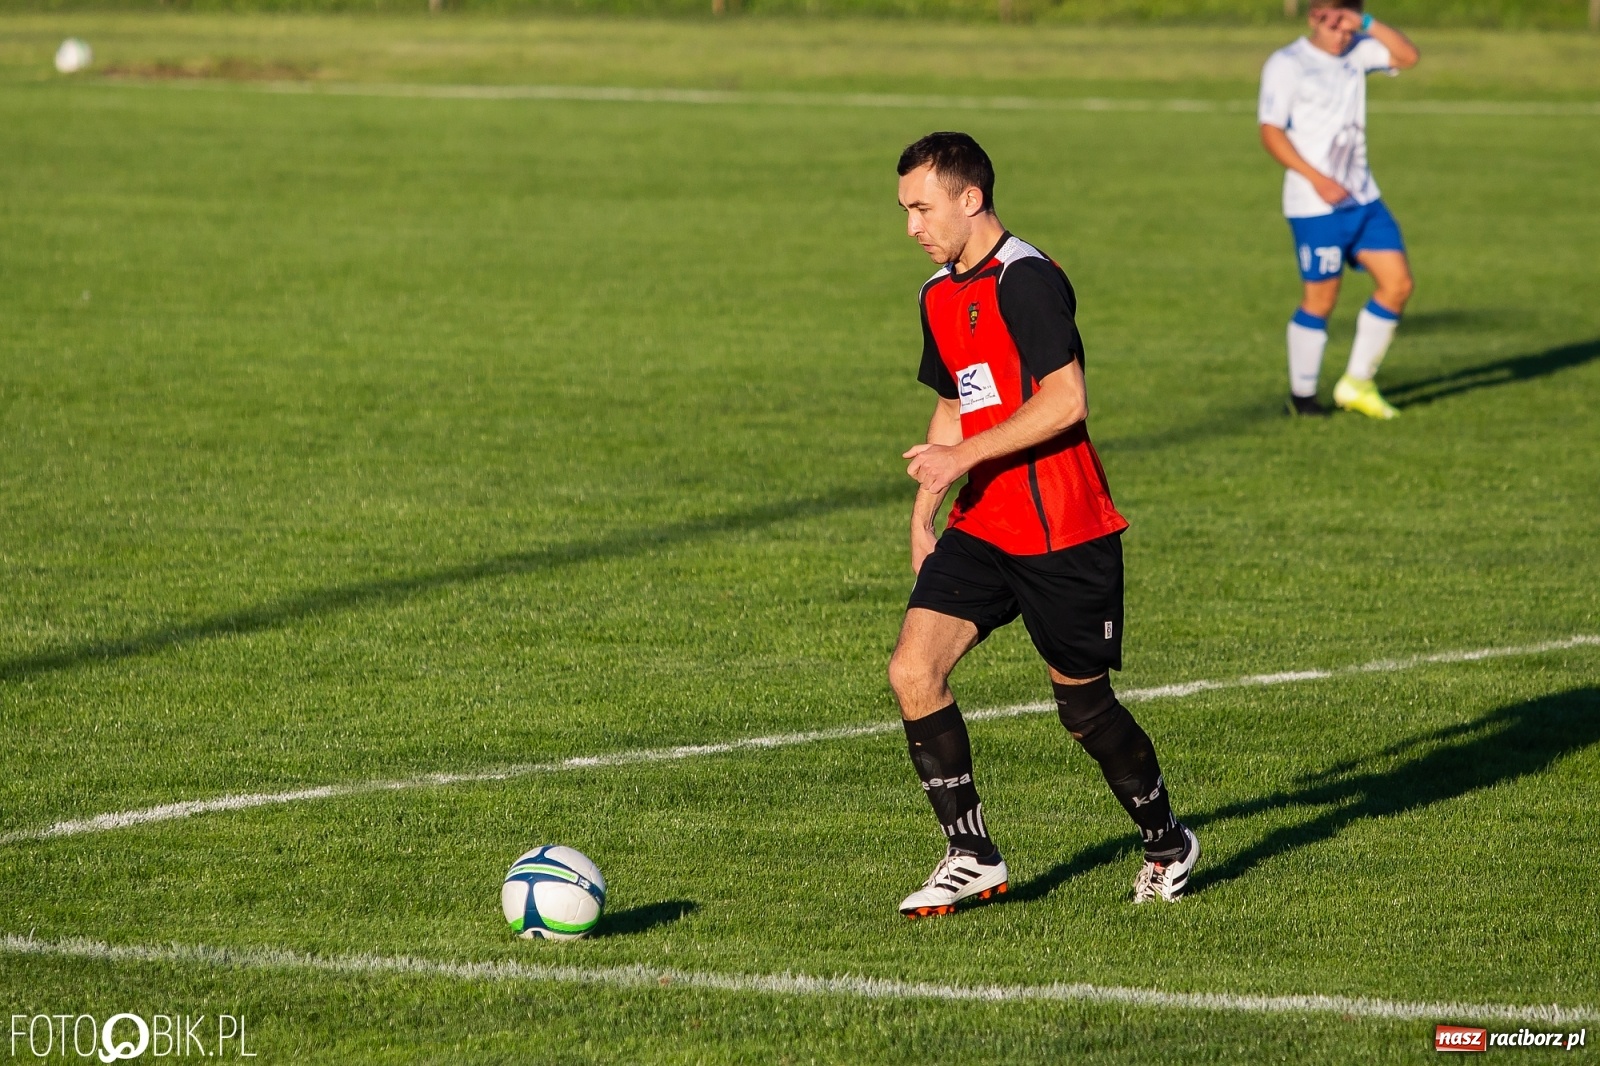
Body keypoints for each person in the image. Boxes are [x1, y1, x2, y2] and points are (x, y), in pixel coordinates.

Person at [888, 132, 1198, 919]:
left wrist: (960, 462)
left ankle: (1167, 843)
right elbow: (958, 401)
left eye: (922, 208)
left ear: (970, 198)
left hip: (1066, 529)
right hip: (986, 524)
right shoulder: (937, 293)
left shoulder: (1028, 280)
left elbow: (1066, 402)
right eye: (904, 210)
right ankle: (971, 853)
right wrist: (925, 513)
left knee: (1084, 712)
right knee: (913, 671)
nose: (912, 226)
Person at [1259, 0, 1421, 419]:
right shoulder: (1288, 63)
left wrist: (1366, 24)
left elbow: (1408, 56)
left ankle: (1357, 383)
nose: (1342, 32)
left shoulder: (1359, 49)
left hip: (1364, 200)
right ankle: (1303, 397)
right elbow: (1271, 131)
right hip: (1315, 207)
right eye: (1334, 21)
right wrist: (1317, 178)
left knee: (1398, 284)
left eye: (1349, 21)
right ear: (1314, 15)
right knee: (1321, 301)